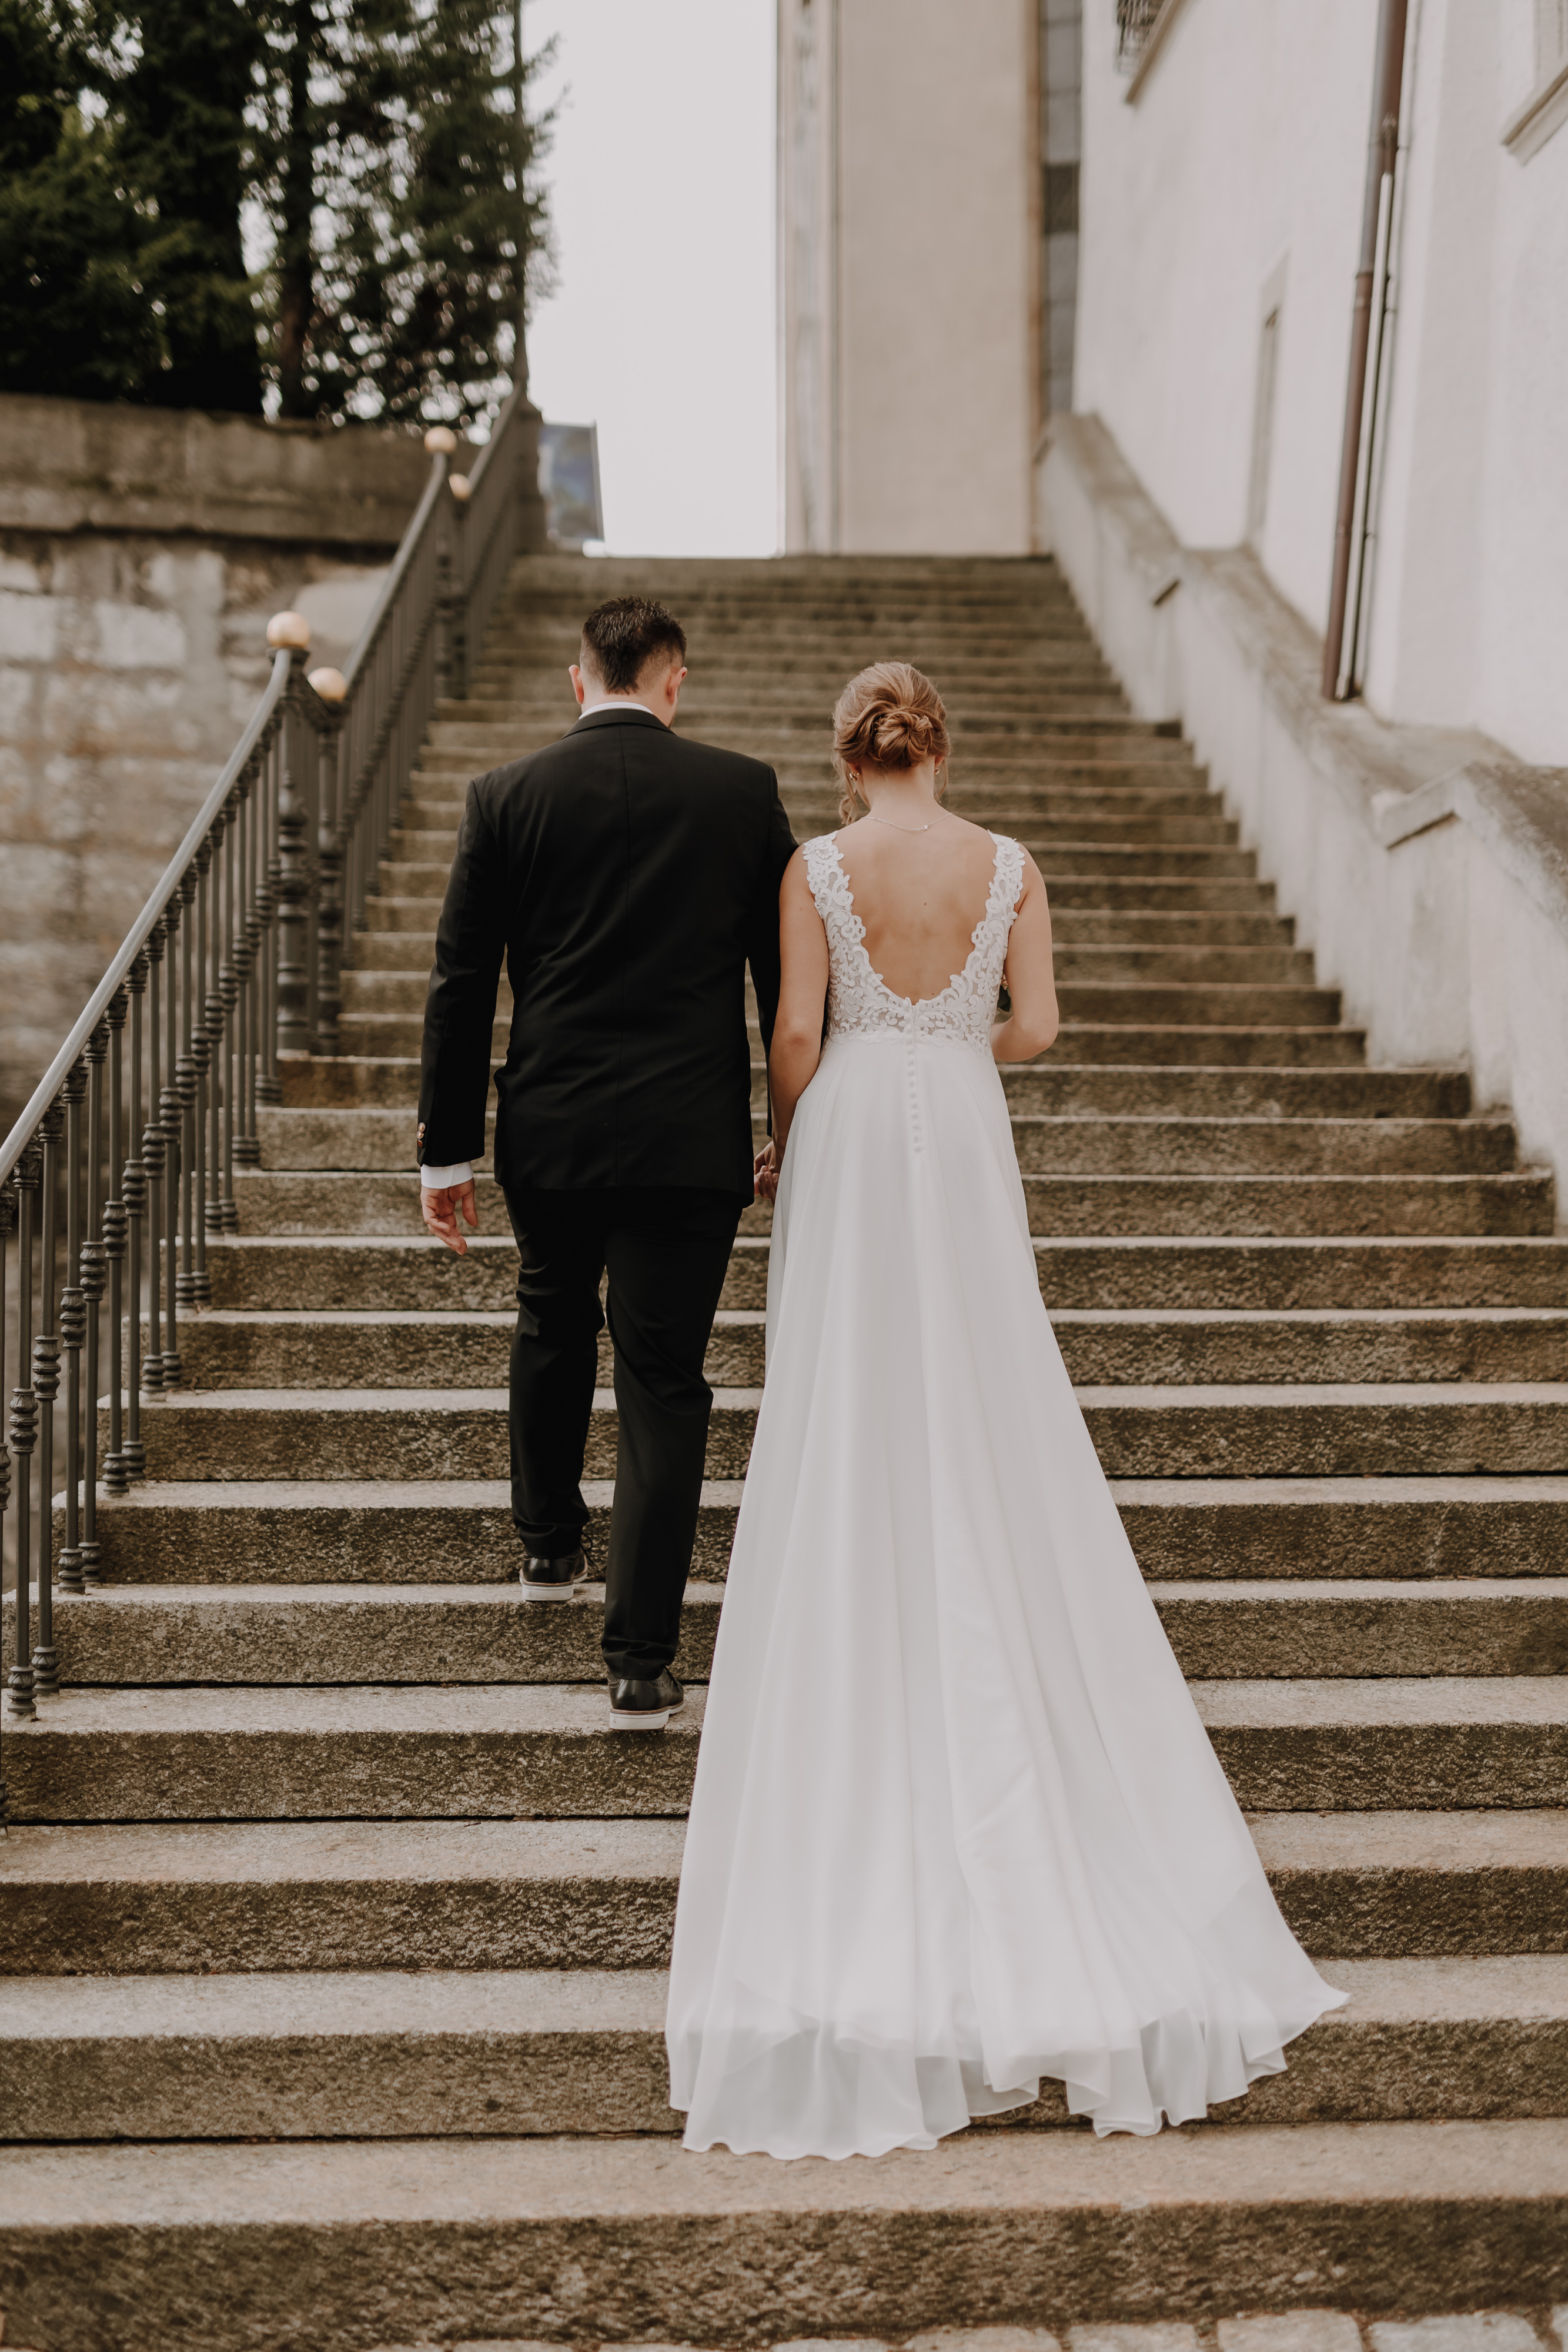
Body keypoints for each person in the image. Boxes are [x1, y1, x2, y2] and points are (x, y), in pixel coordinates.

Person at [666, 661, 1343, 2154]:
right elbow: (1037, 1026)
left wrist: (791, 1130)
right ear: (938, 745)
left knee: (849, 1392)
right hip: (962, 1122)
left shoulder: (815, 864)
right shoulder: (1010, 862)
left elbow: (792, 1029)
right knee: (982, 1381)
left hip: (847, 1119)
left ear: (846, 759)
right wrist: (954, 1039)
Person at [416, 594, 796, 1729]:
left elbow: (460, 983)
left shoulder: (505, 798)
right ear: (674, 681)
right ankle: (641, 1661)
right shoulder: (741, 792)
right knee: (665, 1383)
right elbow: (786, 982)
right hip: (691, 1139)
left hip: (553, 1130)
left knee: (549, 1316)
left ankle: (546, 1545)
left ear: (577, 681)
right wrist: (793, 1120)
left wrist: (446, 1152)